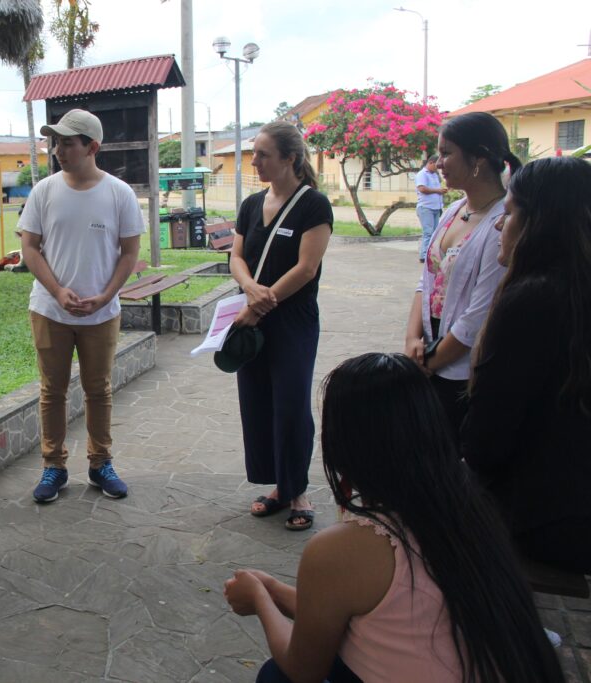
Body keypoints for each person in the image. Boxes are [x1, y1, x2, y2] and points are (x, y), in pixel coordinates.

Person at [224, 353, 564, 683]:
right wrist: (270, 589)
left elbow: (303, 669)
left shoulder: (348, 547)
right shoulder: (469, 508)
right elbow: (337, 608)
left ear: (344, 444)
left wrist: (258, 601)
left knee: (277, 676)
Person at [462, 156, 591, 574]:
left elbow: (488, 440)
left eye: (511, 213)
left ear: (540, 222)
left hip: (539, 519)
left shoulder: (534, 299)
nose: (501, 226)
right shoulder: (571, 291)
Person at [20, 108, 144, 503]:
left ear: (92, 147)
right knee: (51, 390)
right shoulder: (44, 191)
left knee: (98, 390)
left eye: (67, 142)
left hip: (101, 312)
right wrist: (57, 291)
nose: (58, 149)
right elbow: (29, 248)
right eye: (55, 142)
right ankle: (53, 467)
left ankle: (100, 463)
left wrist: (106, 295)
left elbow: (129, 253)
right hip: (49, 309)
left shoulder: (119, 193)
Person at [230, 120, 333, 531]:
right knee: (257, 403)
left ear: (289, 158)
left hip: (291, 320)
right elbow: (236, 257)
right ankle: (277, 487)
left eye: (263, 155)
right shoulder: (251, 204)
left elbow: (306, 269)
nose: (254, 161)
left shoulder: (314, 205)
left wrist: (260, 302)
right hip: (251, 318)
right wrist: (250, 288)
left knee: (290, 405)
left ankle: (298, 490)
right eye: (253, 154)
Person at [404, 112, 521, 435]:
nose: (438, 163)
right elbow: (426, 281)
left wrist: (429, 363)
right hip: (431, 353)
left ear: (478, 159)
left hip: (462, 369)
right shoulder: (456, 209)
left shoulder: (501, 223)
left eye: (446, 153)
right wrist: (413, 339)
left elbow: (479, 314)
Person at [414, 154, 447, 262]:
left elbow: (435, 189)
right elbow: (422, 189)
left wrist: (441, 191)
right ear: (431, 162)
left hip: (436, 207)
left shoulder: (434, 175)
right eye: (436, 165)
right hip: (426, 207)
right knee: (428, 232)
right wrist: (438, 191)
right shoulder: (422, 174)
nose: (437, 167)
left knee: (434, 233)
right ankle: (423, 256)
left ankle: (431, 254)